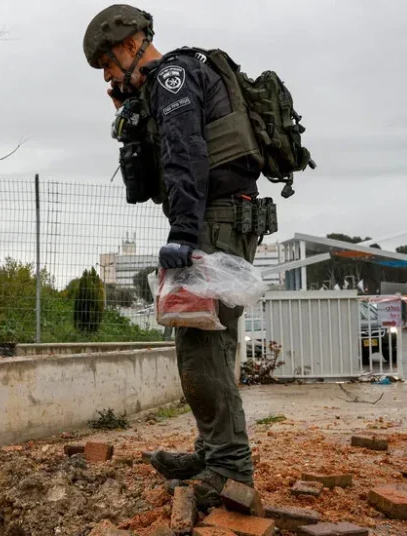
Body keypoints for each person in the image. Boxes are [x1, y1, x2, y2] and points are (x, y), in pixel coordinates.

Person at [83, 4, 273, 509]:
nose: (108, 75)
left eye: (108, 64)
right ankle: (214, 451)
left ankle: (230, 469)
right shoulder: (156, 91)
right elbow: (144, 186)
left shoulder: (172, 76)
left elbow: (187, 153)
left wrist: (185, 231)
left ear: (128, 46)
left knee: (200, 347)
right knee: (208, 343)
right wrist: (127, 117)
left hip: (214, 220)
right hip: (219, 217)